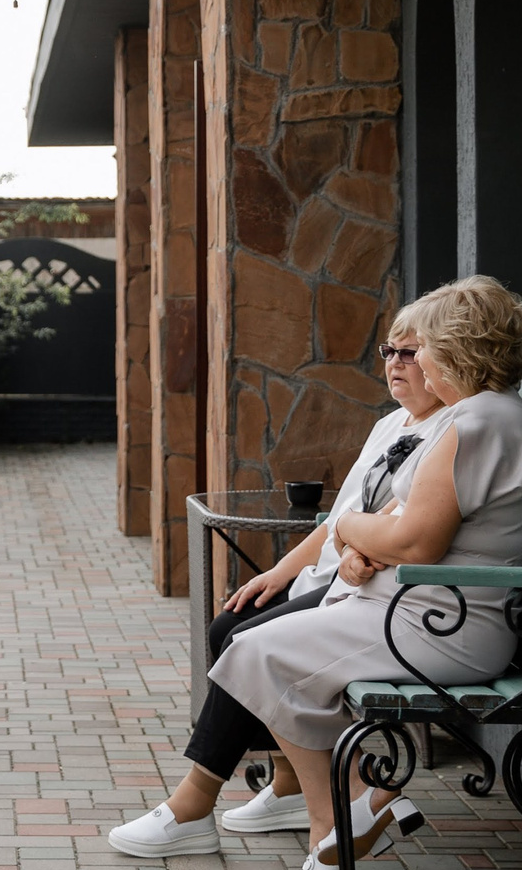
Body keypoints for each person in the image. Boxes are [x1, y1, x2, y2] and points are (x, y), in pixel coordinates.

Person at [108, 276, 522, 870]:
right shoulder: (478, 417)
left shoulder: (479, 422)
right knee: (253, 646)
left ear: (455, 346)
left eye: (418, 347)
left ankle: (338, 817)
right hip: (424, 608)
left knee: (255, 649)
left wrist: (346, 528)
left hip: (443, 623)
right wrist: (359, 544)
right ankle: (341, 817)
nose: (408, 359)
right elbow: (403, 527)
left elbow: (415, 541)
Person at [176, 301, 446, 839]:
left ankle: (194, 802)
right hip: (333, 577)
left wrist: (347, 554)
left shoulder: (452, 433)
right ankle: (292, 784)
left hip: (367, 592)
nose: (395, 363)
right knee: (231, 620)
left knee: (245, 640)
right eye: (389, 350)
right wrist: (279, 571)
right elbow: (340, 517)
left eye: (410, 353)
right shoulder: (390, 424)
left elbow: (389, 532)